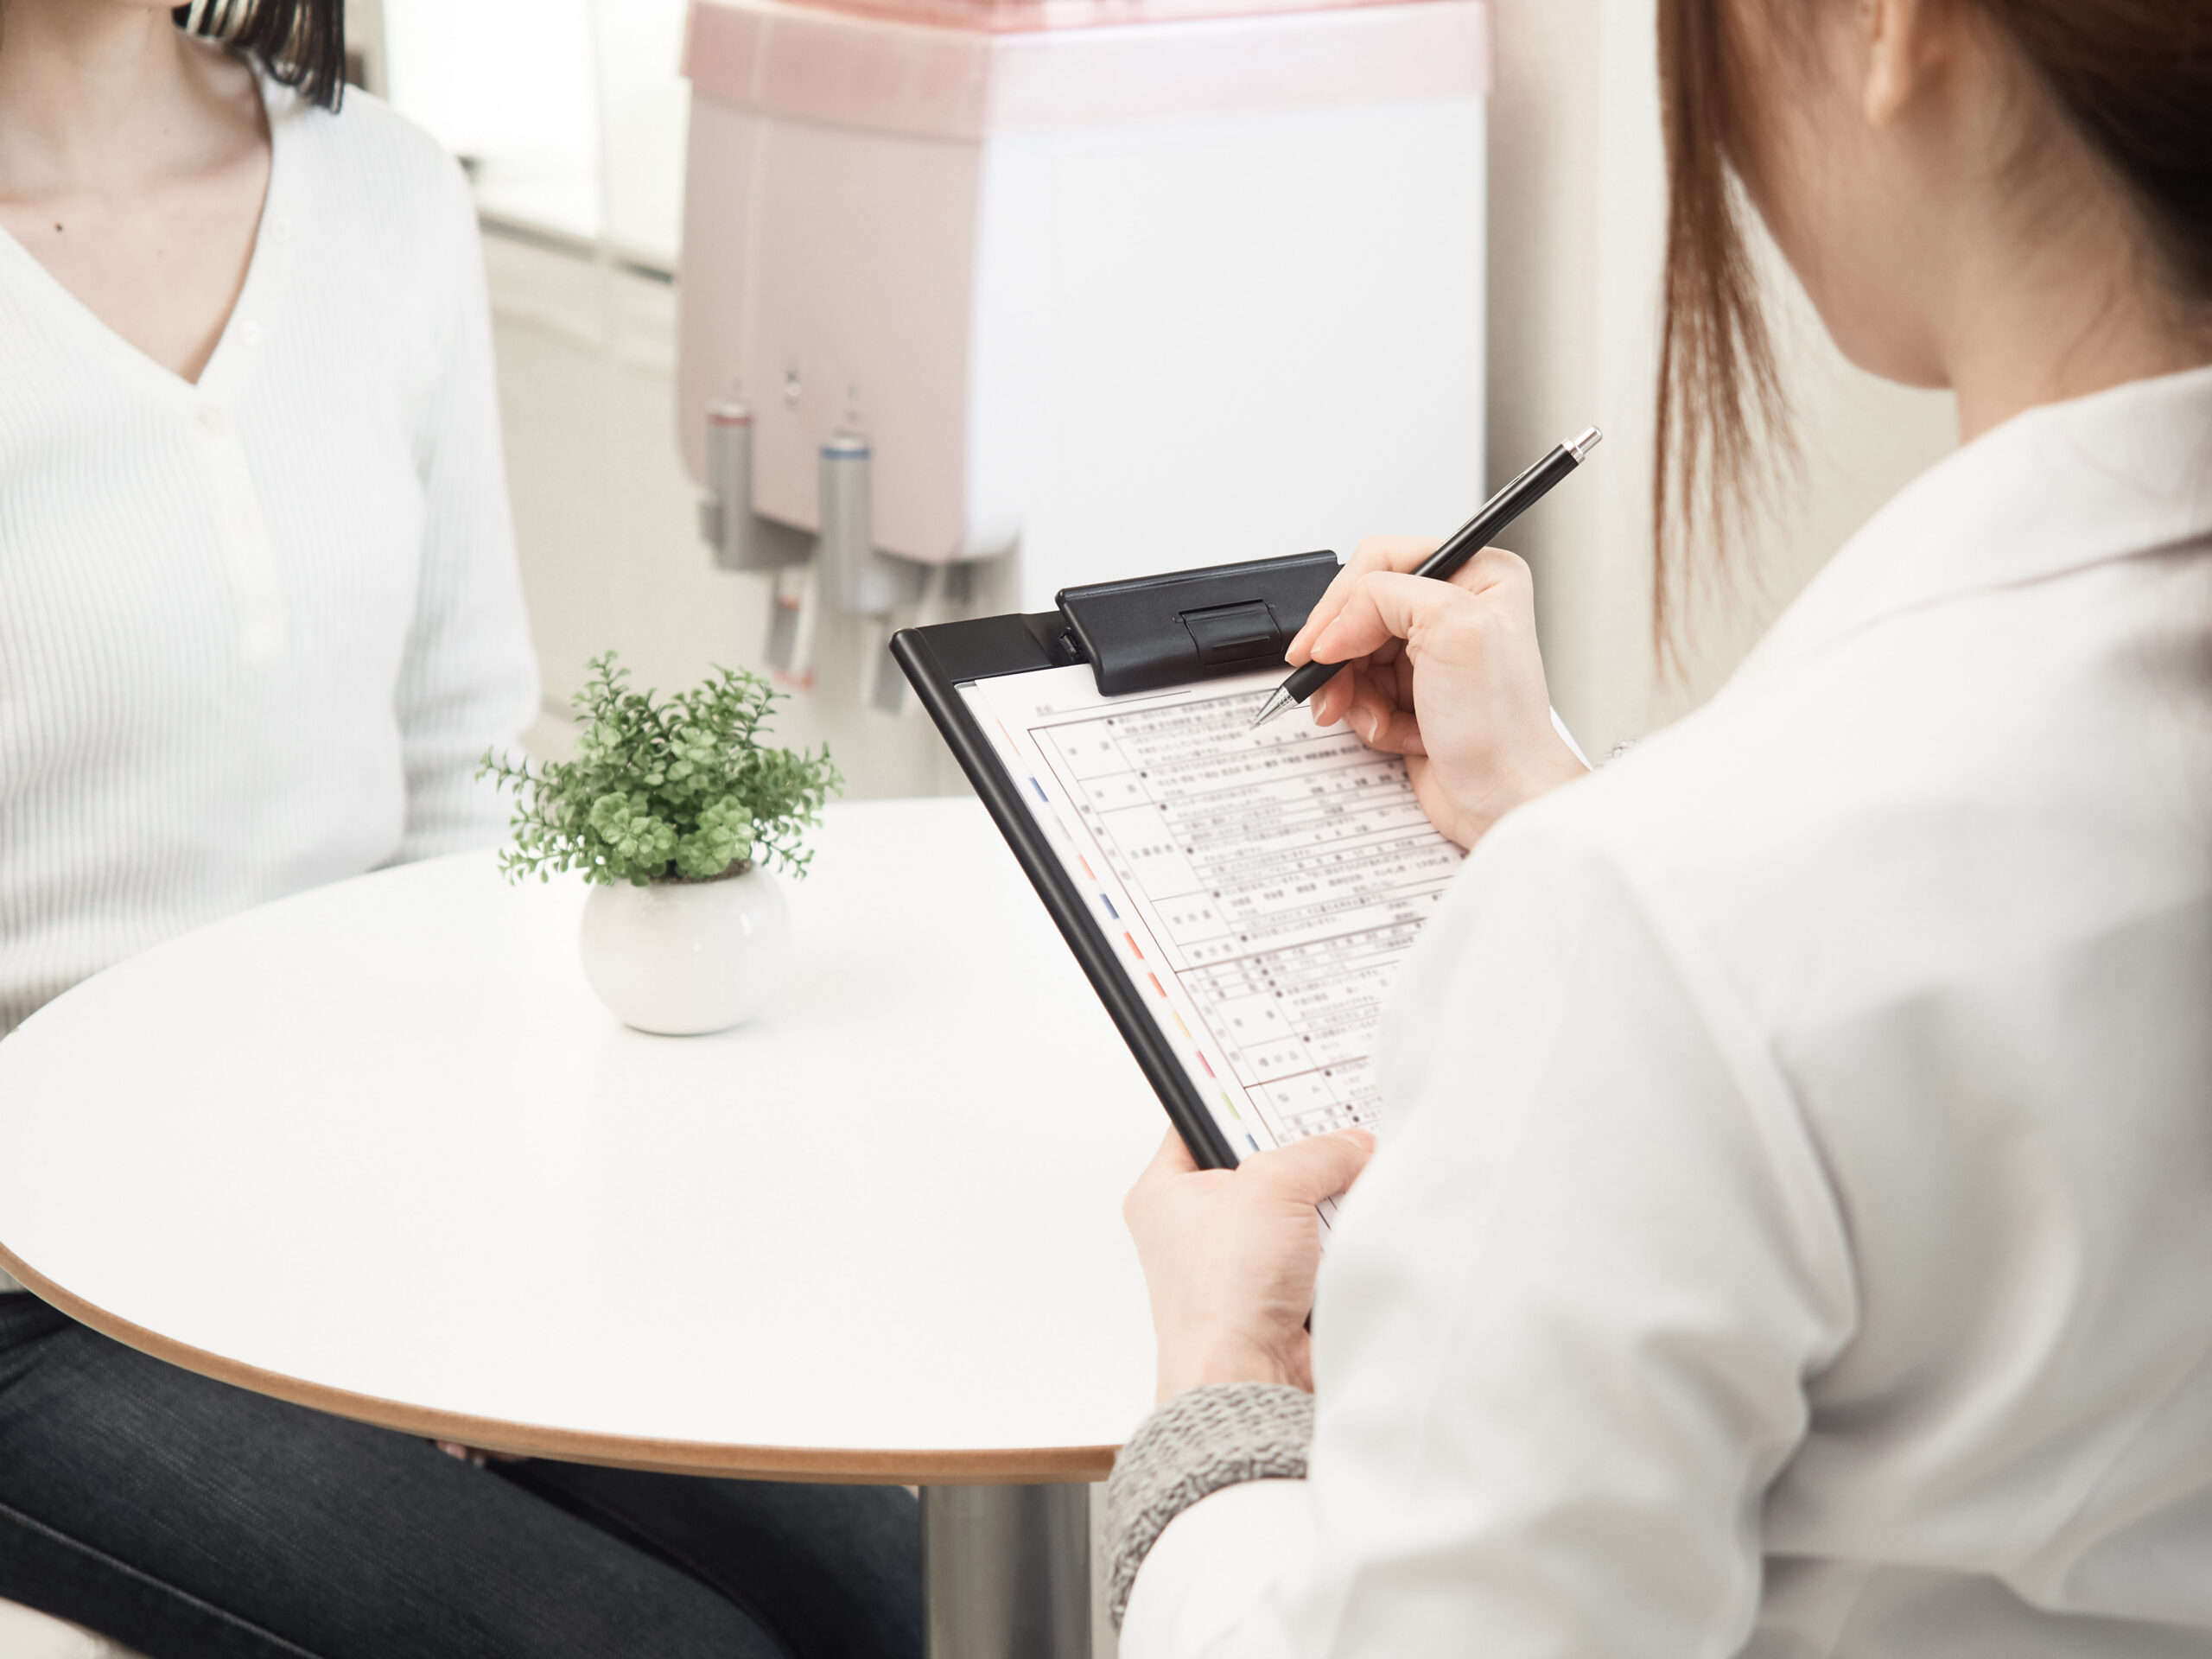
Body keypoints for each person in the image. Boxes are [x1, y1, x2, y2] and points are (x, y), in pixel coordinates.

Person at [1105, 0, 2212, 1652]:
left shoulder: (1669, 914)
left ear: (1892, 28)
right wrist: (1567, 810)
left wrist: (1218, 1408)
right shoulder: (1713, 887)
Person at [0, 2, 919, 1654]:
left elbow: (453, 770)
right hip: (33, 1297)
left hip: (373, 1197)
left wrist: (443, 1241)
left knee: (913, 1596)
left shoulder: (387, 197)